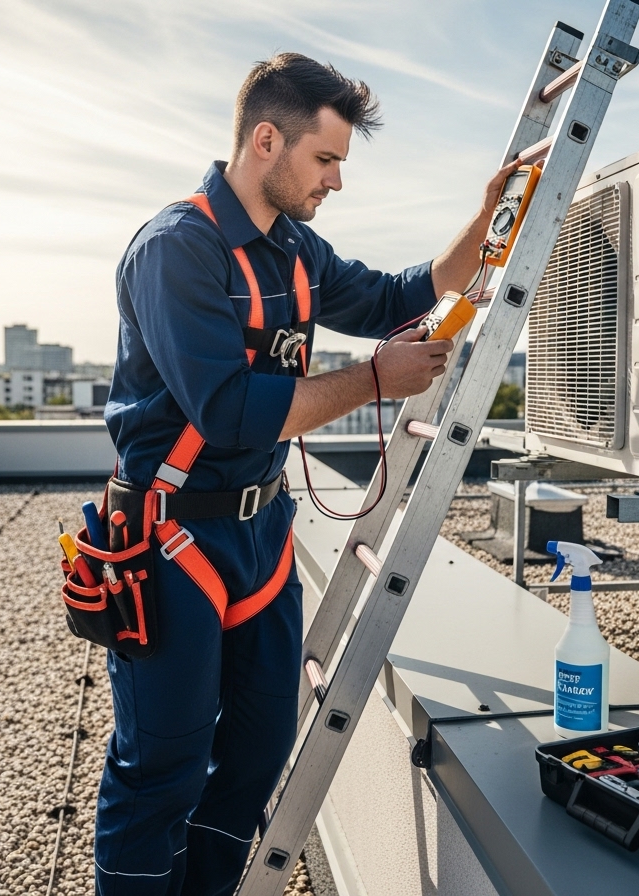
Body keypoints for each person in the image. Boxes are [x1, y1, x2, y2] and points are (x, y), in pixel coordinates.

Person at [98, 52, 516, 895]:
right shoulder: (176, 250)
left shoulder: (293, 250)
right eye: (325, 159)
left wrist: (486, 222)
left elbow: (399, 295)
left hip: (259, 535)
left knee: (256, 754)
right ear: (266, 141)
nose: (336, 180)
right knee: (163, 767)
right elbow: (229, 412)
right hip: (171, 538)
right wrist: (372, 380)